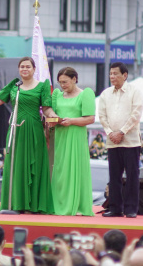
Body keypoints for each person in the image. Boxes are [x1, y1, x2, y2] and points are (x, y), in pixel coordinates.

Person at [0, 56, 56, 213]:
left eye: (28, 67)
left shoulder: (42, 86)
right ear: (19, 69)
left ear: (34, 69)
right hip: (16, 129)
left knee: (36, 165)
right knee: (16, 165)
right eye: (22, 67)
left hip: (34, 129)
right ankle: (16, 204)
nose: (25, 69)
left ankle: (35, 206)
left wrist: (54, 115)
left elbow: (46, 108)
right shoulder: (14, 86)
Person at [99, 62, 143, 218]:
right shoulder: (105, 94)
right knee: (114, 176)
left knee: (132, 176)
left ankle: (131, 209)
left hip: (131, 141)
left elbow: (136, 115)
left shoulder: (135, 92)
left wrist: (122, 132)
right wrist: (111, 132)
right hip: (112, 141)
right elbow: (102, 116)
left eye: (115, 73)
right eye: (110, 73)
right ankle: (115, 208)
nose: (112, 76)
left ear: (125, 75)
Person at [50, 67, 95, 216]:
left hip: (76, 135)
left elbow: (90, 118)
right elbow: (51, 114)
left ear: (74, 79)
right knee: (61, 170)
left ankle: (77, 205)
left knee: (75, 168)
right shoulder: (57, 95)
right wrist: (53, 120)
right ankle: (59, 203)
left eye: (65, 82)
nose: (63, 85)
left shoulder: (85, 94)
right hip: (60, 136)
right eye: (60, 82)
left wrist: (72, 121)